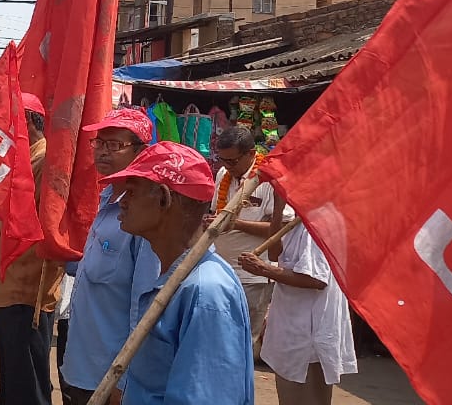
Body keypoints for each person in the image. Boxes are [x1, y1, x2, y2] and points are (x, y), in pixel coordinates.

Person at [103, 141, 255, 405]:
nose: (122, 202)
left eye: (131, 192)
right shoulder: (173, 279)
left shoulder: (206, 292)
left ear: (163, 198)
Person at [59, 108, 160, 405]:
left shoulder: (142, 217)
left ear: (141, 151)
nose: (102, 151)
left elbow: (145, 306)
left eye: (114, 145)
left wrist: (125, 381)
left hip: (109, 378)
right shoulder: (106, 199)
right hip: (80, 366)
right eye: (99, 143)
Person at [0, 92, 63, 405]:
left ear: (26, 121)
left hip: (28, 291)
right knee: (14, 376)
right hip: (8, 287)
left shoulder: (43, 160)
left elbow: (23, 220)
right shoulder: (21, 158)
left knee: (27, 381)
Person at [239, 219, 357, 405]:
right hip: (294, 330)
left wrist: (263, 269)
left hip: (307, 335)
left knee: (305, 397)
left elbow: (316, 280)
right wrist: (278, 208)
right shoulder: (297, 221)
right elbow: (275, 252)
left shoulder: (315, 225)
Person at [211, 126, 291, 359]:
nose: (227, 166)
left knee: (242, 344)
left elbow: (281, 230)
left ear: (250, 154)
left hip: (252, 276)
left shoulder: (271, 180)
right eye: (222, 160)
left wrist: (235, 224)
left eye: (233, 160)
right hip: (222, 269)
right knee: (219, 341)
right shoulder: (222, 175)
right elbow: (219, 213)